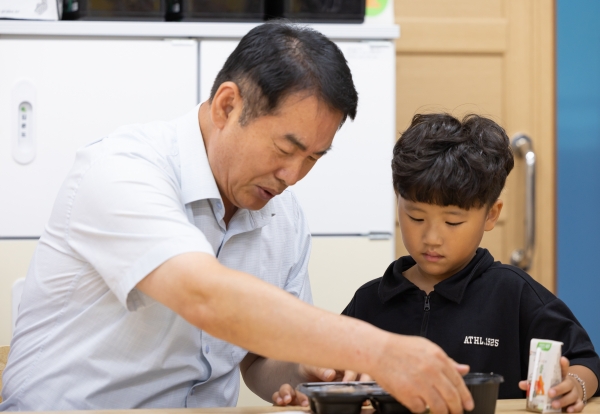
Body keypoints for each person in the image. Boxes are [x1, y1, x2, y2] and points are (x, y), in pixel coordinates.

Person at [0, 24, 474, 413]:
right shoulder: (122, 170)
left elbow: (260, 361)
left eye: (313, 158)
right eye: (286, 148)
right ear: (228, 105)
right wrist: (380, 350)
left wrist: (304, 371)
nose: (293, 176)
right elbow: (204, 295)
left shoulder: (283, 215)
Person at [273, 113, 600, 411]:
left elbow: (586, 361)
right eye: (416, 217)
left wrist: (576, 385)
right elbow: (332, 374)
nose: (431, 238)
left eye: (452, 222)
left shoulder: (514, 294)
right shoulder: (370, 301)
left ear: (491, 214)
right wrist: (310, 391)